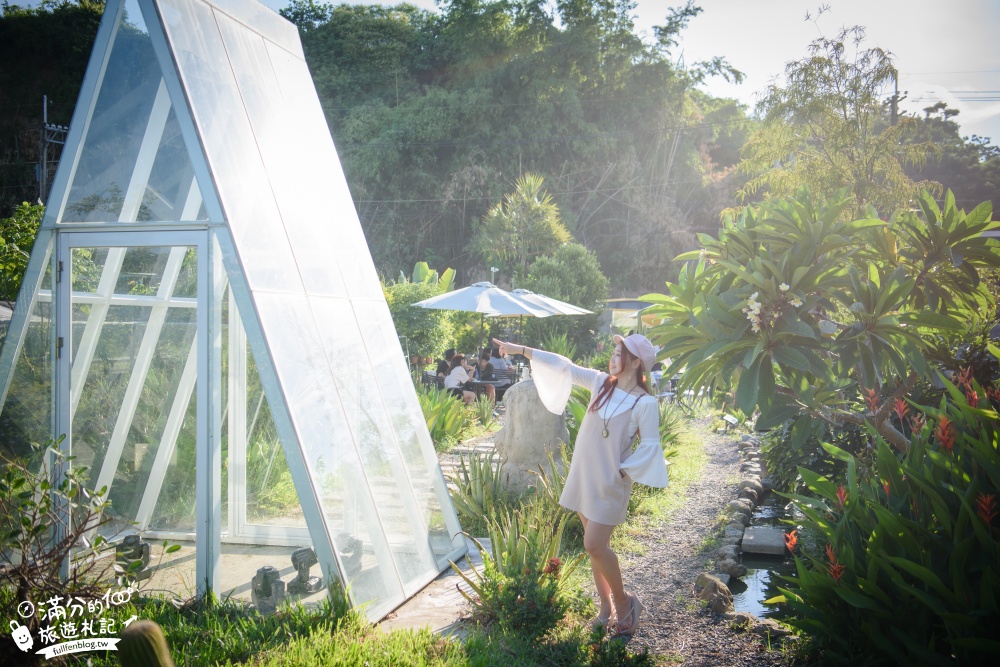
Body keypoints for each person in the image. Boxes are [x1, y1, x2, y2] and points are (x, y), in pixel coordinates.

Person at [492, 334, 668, 636]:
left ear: (637, 362)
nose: (612, 358)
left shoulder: (644, 402)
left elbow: (651, 445)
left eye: (619, 354)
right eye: (613, 352)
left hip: (609, 481)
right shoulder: (602, 383)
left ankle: (625, 603)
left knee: (594, 544)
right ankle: (605, 609)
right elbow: (563, 366)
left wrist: (624, 472)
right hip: (583, 474)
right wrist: (522, 350)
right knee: (595, 549)